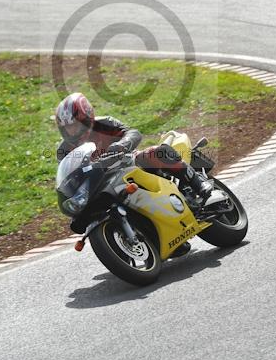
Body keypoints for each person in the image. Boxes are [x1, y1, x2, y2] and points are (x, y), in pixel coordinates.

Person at [55, 92, 213, 256]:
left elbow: (133, 133)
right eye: (67, 128)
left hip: (127, 163)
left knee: (154, 153)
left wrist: (121, 146)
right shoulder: (63, 150)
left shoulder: (104, 124)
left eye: (75, 125)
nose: (72, 131)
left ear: (87, 118)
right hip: (101, 182)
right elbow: (69, 175)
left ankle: (198, 183)